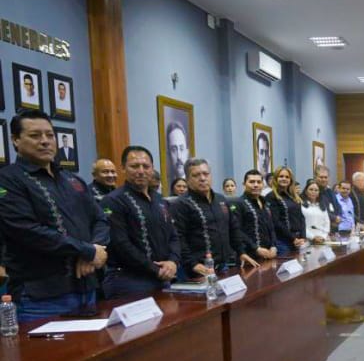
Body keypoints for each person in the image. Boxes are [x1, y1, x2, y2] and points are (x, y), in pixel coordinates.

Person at [0, 109, 108, 321]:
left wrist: (95, 249)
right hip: (41, 297)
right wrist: (86, 250)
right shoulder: (8, 180)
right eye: (35, 135)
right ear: (15, 140)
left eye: (50, 135)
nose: (45, 141)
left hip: (87, 288)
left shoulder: (72, 180)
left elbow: (100, 219)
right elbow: (27, 231)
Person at [101, 146, 180, 299]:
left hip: (163, 277)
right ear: (123, 168)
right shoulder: (113, 201)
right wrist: (156, 269)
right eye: (134, 166)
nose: (141, 171)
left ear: (152, 169)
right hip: (130, 281)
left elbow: (174, 236)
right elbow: (121, 244)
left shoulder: (160, 200)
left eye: (146, 166)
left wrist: (173, 262)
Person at [172, 159, 258, 279]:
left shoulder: (221, 199)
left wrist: (241, 252)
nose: (202, 178)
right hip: (196, 270)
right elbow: (178, 238)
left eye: (206, 174)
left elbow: (233, 228)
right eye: (196, 175)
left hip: (224, 266)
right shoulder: (180, 204)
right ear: (187, 179)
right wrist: (192, 264)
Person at [231, 170, 277, 262]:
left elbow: (271, 227)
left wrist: (273, 246)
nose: (256, 185)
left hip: (268, 254)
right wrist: (256, 248)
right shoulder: (238, 203)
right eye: (252, 182)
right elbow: (237, 231)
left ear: (262, 185)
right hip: (249, 255)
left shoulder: (265, 202)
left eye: (259, 182)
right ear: (244, 184)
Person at [266, 167, 306, 256]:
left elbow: (301, 217)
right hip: (282, 241)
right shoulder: (271, 197)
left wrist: (303, 237)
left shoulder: (293, 196)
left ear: (291, 180)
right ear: (275, 179)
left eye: (287, 177)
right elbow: (276, 222)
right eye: (281, 176)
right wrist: (293, 238)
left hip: (298, 240)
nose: (284, 179)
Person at [301, 178, 330, 244]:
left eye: (316, 190)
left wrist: (323, 236)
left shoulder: (322, 206)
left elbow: (327, 223)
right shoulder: (301, 206)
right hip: (307, 240)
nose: (313, 192)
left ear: (319, 193)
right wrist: (313, 237)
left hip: (322, 239)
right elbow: (301, 225)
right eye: (311, 189)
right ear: (306, 191)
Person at [314, 165, 339, 229]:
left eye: (326, 177)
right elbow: (318, 210)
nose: (324, 179)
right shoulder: (313, 191)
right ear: (315, 177)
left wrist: (338, 217)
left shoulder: (330, 191)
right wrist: (334, 218)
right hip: (319, 227)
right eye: (321, 177)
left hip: (333, 227)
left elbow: (337, 207)